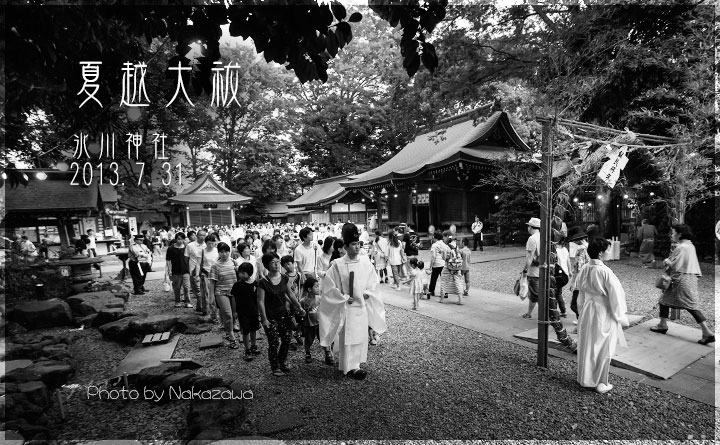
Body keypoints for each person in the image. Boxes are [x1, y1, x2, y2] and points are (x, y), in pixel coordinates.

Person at [319, 223, 387, 380]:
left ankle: (356, 365)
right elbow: (329, 286)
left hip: (361, 306)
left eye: (358, 244)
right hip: (347, 306)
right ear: (345, 246)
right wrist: (342, 297)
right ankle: (349, 367)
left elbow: (373, 281)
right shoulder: (337, 265)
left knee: (360, 336)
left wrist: (368, 292)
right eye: (354, 244)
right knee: (348, 337)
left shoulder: (365, 261)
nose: (357, 247)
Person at [576, 237, 629, 394]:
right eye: (607, 250)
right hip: (603, 311)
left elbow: (580, 293)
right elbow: (616, 296)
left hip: (588, 309)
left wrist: (581, 310)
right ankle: (600, 382)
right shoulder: (605, 272)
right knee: (603, 346)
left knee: (588, 344)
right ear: (600, 253)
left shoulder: (585, 268)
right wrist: (620, 316)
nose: (609, 253)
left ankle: (585, 378)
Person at [650, 224, 714, 345]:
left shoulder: (682, 247)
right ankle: (662, 324)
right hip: (690, 279)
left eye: (673, 233)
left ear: (680, 234)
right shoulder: (690, 246)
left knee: (688, 305)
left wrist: (666, 261)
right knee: (672, 302)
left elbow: (675, 265)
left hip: (680, 279)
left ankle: (707, 332)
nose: (672, 235)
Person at [257, 253, 306, 376]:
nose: (277, 264)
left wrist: (298, 307)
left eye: (278, 262)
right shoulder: (263, 282)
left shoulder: (284, 278)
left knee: (287, 339)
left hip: (284, 314)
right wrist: (264, 319)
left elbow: (290, 294)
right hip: (270, 316)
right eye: (273, 262)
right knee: (274, 342)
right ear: (267, 265)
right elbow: (260, 302)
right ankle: (275, 367)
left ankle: (282, 361)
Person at [208, 242, 239, 349]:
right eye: (222, 252)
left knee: (234, 315)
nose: (224, 254)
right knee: (228, 314)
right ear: (219, 252)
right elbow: (212, 283)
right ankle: (231, 337)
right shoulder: (215, 266)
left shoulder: (234, 263)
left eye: (226, 251)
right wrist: (211, 297)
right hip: (221, 293)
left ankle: (228, 329)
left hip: (234, 292)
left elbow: (239, 278)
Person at [300, 277, 334, 365]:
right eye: (316, 286)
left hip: (320, 324)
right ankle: (307, 353)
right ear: (309, 289)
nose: (318, 288)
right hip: (309, 325)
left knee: (324, 338)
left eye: (318, 286)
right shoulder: (303, 301)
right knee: (308, 340)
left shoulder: (320, 298)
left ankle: (328, 354)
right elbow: (300, 313)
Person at [567, 226, 590, 323]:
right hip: (588, 278)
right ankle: (582, 319)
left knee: (574, 304)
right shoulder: (589, 247)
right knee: (583, 302)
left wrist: (573, 283)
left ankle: (583, 320)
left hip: (581, 280)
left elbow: (578, 269)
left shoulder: (580, 251)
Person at [281, 254, 304, 350]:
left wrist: (300, 296)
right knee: (289, 320)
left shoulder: (298, 275)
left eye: (289, 264)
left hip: (297, 300)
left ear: (293, 263)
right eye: (285, 265)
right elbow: (283, 292)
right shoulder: (283, 277)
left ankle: (297, 333)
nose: (287, 266)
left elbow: (302, 286)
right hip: (288, 303)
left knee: (301, 319)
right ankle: (289, 339)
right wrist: (290, 300)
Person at [520, 218, 542, 319]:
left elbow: (529, 257)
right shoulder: (543, 236)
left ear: (530, 227)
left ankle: (547, 315)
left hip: (534, 271)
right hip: (542, 269)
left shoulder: (532, 239)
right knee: (535, 293)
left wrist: (525, 270)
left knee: (535, 294)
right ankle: (529, 313)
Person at [165, 232, 193, 308]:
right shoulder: (171, 248)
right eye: (178, 239)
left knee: (186, 287)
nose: (180, 241)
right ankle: (177, 301)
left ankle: (187, 301)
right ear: (176, 239)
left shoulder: (187, 247)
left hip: (186, 270)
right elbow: (168, 260)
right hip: (175, 270)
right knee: (177, 287)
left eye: (182, 239)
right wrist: (169, 270)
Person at [185, 229, 207, 313]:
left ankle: (201, 306)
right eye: (200, 235)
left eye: (204, 235)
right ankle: (200, 305)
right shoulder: (190, 245)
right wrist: (188, 269)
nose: (202, 237)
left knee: (203, 288)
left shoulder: (206, 245)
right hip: (193, 269)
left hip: (204, 269)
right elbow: (186, 258)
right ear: (197, 236)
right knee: (197, 289)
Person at [199, 234, 220, 321]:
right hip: (206, 274)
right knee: (208, 294)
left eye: (212, 243)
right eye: (208, 243)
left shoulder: (217, 251)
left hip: (216, 274)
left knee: (217, 293)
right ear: (205, 243)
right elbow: (199, 263)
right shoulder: (203, 251)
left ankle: (216, 313)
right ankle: (211, 313)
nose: (210, 245)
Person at [440, 231, 464, 304]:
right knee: (458, 281)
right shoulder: (456, 245)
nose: (443, 238)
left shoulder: (445, 247)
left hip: (448, 266)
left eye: (443, 237)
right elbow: (459, 255)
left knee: (444, 281)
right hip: (456, 266)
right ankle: (460, 300)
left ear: (447, 236)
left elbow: (444, 258)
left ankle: (442, 299)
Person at [427, 232, 447, 297]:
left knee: (433, 278)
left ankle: (431, 291)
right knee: (444, 279)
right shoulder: (444, 244)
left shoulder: (434, 245)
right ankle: (446, 292)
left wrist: (430, 267)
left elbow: (433, 256)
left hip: (436, 264)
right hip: (443, 263)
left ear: (435, 238)